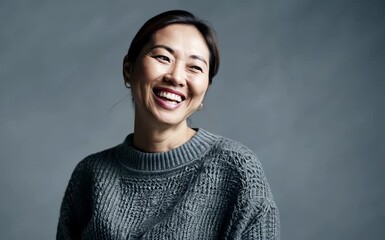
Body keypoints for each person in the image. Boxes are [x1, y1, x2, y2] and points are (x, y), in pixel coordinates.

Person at [57, 10, 279, 239]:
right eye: (163, 57)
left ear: (204, 91)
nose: (176, 77)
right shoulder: (90, 175)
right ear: (128, 69)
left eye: (195, 67)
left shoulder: (237, 169)